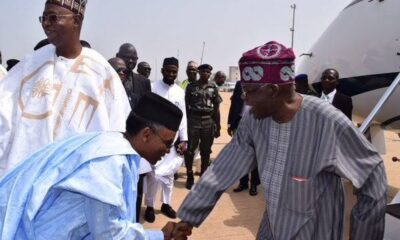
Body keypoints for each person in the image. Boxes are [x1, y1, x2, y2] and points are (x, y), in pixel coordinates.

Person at [177, 41, 387, 239]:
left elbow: (372, 175)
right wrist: (189, 216)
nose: (245, 100)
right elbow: (223, 168)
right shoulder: (253, 120)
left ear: (272, 91)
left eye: (249, 92)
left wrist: (364, 233)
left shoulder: (326, 120)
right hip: (273, 227)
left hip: (315, 232)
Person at [0, 93, 192, 240]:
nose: (168, 151)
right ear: (146, 134)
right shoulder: (109, 162)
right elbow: (108, 234)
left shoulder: (110, 144)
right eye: (167, 143)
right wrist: (160, 235)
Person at [0, 0, 131, 177]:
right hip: (24, 180)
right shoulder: (29, 66)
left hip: (75, 187)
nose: (46, 23)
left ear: (76, 20)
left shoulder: (102, 74)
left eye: (53, 18)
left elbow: (117, 136)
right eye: (44, 18)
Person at [144, 57, 188, 223]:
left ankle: (166, 204)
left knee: (169, 175)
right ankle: (149, 206)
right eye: (168, 71)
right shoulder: (153, 88)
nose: (171, 74)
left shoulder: (179, 92)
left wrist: (184, 139)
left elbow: (183, 118)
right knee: (153, 175)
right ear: (162, 70)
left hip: (173, 141)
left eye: (174, 72)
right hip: (155, 139)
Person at [184, 63, 221, 189]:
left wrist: (218, 125)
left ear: (210, 74)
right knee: (190, 150)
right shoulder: (191, 87)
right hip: (194, 120)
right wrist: (187, 122)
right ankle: (189, 175)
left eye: (208, 72)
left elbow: (216, 108)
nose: (205, 74)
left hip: (208, 121)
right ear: (199, 73)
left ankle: (203, 176)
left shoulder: (213, 87)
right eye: (203, 71)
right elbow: (186, 106)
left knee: (206, 150)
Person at [227, 81, 260, 196]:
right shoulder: (239, 84)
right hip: (240, 122)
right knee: (241, 155)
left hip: (257, 123)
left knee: (255, 155)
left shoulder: (263, 83)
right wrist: (230, 123)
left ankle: (254, 184)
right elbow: (234, 103)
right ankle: (243, 183)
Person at [116, 43, 151, 108]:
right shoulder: (108, 79)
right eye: (127, 57)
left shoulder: (144, 82)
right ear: (117, 56)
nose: (131, 61)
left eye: (134, 58)